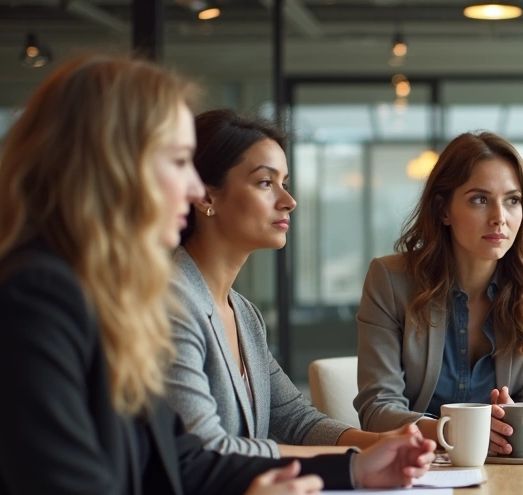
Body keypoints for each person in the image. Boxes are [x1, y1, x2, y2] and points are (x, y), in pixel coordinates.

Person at [0, 56, 435, 495]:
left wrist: (355, 468)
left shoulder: (102, 297)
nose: (194, 185)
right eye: (178, 162)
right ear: (111, 165)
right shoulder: (37, 297)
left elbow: (188, 465)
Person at [165, 109, 408, 457]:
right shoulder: (171, 302)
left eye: (285, 183)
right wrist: (355, 458)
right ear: (205, 196)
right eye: (266, 182)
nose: (289, 201)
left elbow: (293, 419)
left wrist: (384, 442)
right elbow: (209, 450)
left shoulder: (244, 314)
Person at [355, 131, 523, 455]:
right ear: (443, 210)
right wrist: (454, 430)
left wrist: (517, 418)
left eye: (513, 200)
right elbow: (377, 408)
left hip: (508, 468)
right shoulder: (391, 280)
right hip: (418, 467)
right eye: (480, 199)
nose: (499, 218)